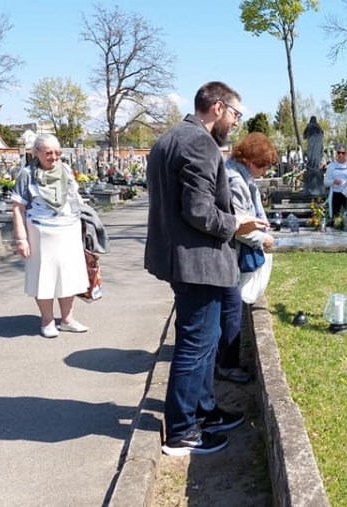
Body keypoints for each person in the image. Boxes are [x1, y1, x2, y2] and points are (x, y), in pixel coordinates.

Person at [145, 81, 268, 456]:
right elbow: (198, 211)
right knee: (195, 346)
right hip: (197, 261)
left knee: (205, 340)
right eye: (236, 114)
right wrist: (237, 223)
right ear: (218, 107)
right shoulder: (199, 142)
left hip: (182, 257)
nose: (236, 121)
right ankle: (182, 431)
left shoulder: (168, 138)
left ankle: (203, 411)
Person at [11, 134, 89, 338]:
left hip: (69, 229)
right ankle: (47, 321)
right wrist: (21, 239)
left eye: (57, 152)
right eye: (48, 153)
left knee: (68, 276)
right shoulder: (27, 174)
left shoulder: (65, 170)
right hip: (41, 233)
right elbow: (18, 207)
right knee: (44, 277)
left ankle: (67, 320)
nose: (54, 157)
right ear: (36, 153)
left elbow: (74, 197)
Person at [219, 132, 279, 384]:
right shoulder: (236, 181)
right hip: (228, 253)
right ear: (251, 161)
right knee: (231, 308)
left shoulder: (239, 174)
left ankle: (223, 360)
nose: (264, 172)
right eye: (263, 166)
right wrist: (262, 239)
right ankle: (226, 365)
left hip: (228, 252)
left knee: (229, 307)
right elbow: (240, 225)